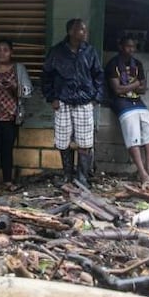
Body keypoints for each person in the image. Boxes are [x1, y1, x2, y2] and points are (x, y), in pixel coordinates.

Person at [42, 18, 104, 188]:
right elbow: (46, 75)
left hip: (84, 101)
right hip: (62, 100)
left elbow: (99, 75)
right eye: (81, 30)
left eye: (85, 30)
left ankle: (82, 177)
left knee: (85, 141)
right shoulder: (57, 52)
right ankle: (67, 175)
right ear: (71, 32)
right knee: (63, 140)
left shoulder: (90, 52)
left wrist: (96, 98)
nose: (85, 33)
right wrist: (51, 97)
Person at [105, 34, 149, 187]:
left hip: (137, 101)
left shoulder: (137, 64)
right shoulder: (113, 65)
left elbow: (143, 89)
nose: (131, 49)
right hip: (121, 103)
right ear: (121, 47)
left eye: (133, 47)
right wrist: (136, 84)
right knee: (133, 135)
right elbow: (117, 90)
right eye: (128, 46)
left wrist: (132, 86)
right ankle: (142, 173)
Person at [0, 39, 32, 197]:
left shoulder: (18, 69)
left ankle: (8, 181)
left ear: (11, 52)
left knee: (7, 150)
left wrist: (14, 87)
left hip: (10, 116)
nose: (2, 53)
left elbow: (28, 92)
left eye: (6, 50)